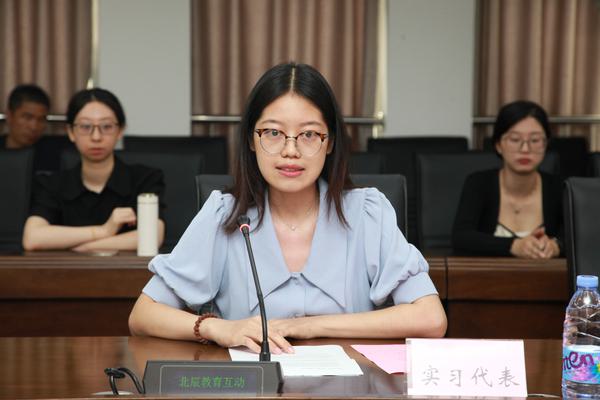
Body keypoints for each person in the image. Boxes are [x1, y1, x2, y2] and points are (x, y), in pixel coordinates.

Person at [129, 62, 446, 353]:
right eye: (273, 133)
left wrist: (305, 326)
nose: (290, 150)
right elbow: (143, 315)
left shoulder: (367, 213)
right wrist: (219, 328)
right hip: (251, 386)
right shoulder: (223, 215)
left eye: (308, 134)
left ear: (330, 142)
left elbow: (430, 318)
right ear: (251, 140)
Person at [22, 88, 166, 252]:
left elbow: (152, 237)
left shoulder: (145, 179)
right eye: (85, 126)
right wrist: (104, 230)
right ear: (71, 132)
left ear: (120, 131)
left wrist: (80, 247)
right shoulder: (50, 184)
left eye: (106, 126)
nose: (96, 137)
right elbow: (32, 239)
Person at [452, 100, 562, 258]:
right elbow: (461, 238)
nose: (525, 149)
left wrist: (556, 246)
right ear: (498, 144)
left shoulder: (560, 187)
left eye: (535, 140)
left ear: (545, 144)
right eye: (515, 140)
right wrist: (513, 246)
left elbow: (581, 237)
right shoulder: (478, 183)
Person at [1, 84, 50, 149]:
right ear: (9, 116)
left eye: (41, 119)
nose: (34, 127)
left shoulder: (53, 152)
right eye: (27, 118)